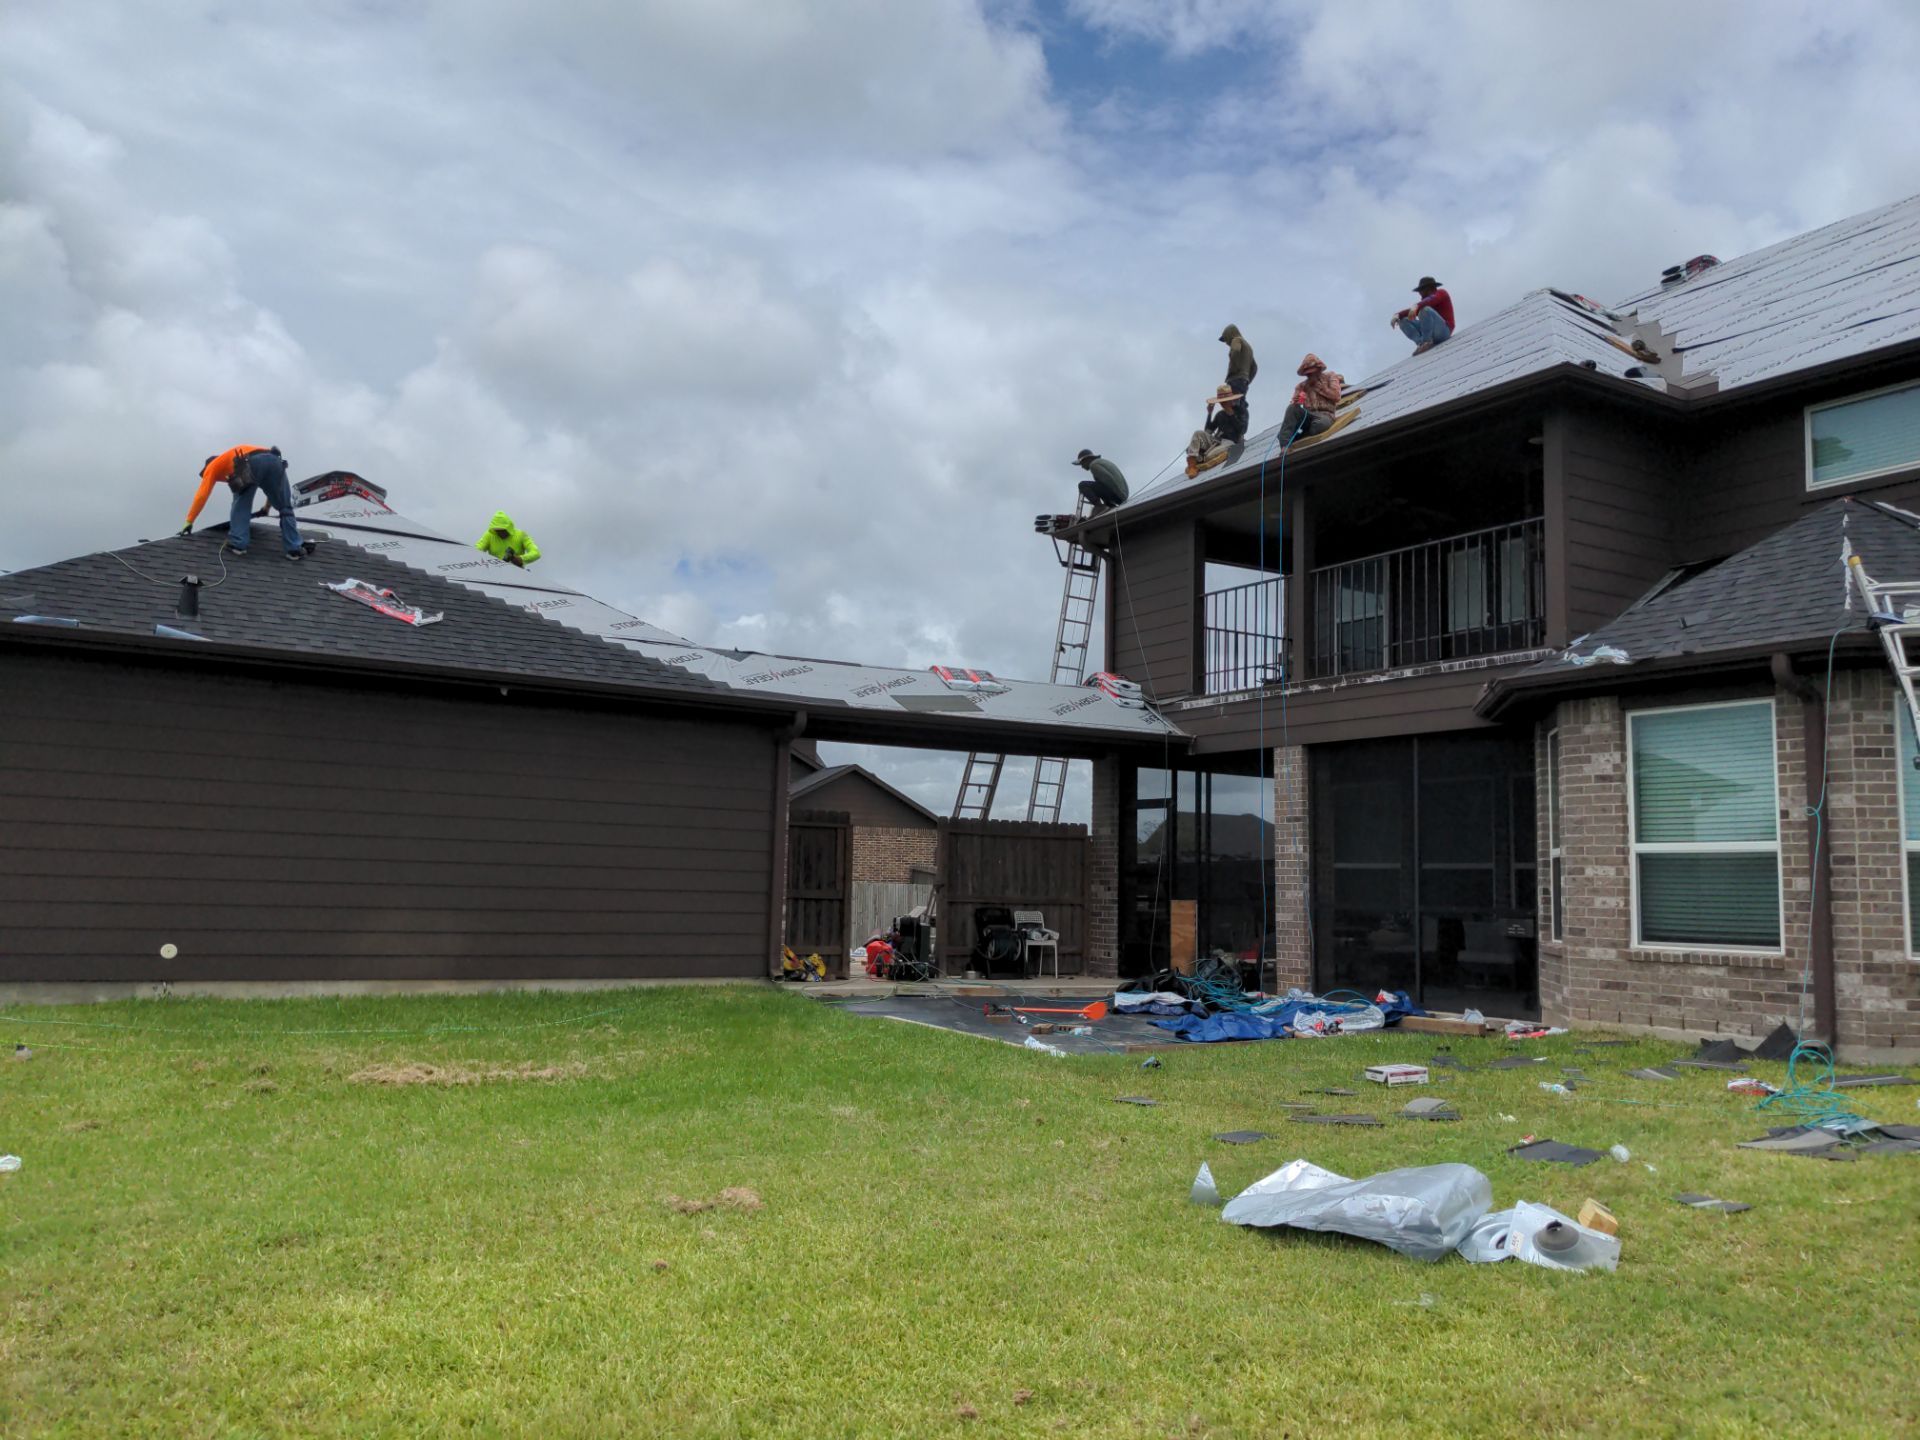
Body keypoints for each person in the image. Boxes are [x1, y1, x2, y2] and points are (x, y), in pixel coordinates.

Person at [180, 444, 305, 560]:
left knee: (241, 503)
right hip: (275, 460)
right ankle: (294, 549)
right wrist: (266, 508)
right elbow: (271, 490)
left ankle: (238, 544)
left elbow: (202, 495)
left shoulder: (212, 466)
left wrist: (189, 521)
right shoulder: (229, 458)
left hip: (251, 462)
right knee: (285, 507)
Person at [1280, 353, 1345, 442]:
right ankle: (1285, 444)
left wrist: (1320, 387)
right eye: (1308, 374)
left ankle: (1302, 433)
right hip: (1308, 416)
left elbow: (1336, 396)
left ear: (1318, 370)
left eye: (1312, 373)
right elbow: (1294, 409)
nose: (1310, 375)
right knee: (1291, 410)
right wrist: (1297, 402)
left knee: (1320, 425)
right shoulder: (1301, 386)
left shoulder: (1330, 376)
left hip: (1325, 415)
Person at [1187, 383, 1248, 474]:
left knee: (1209, 457)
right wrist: (1209, 413)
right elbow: (1208, 431)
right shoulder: (1220, 414)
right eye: (1222, 402)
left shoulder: (1241, 412)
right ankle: (1192, 465)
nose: (1223, 404)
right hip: (1216, 441)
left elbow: (1242, 430)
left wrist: (1230, 413)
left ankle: (1204, 458)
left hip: (1231, 442)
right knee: (1198, 433)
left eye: (1225, 401)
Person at [1393, 277, 1454, 353]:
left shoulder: (1441, 293)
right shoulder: (1423, 303)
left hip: (1444, 331)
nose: (1420, 293)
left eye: (1421, 290)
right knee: (1402, 320)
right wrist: (1397, 315)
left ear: (1429, 288)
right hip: (1431, 333)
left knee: (1425, 310)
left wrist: (1416, 306)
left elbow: (1432, 300)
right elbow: (1412, 310)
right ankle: (1421, 343)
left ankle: (1426, 341)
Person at [475, 511, 542, 567]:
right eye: (497, 531)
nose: (500, 533)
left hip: (517, 575)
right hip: (495, 574)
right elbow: (476, 550)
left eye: (503, 530)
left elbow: (536, 553)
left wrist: (521, 559)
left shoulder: (521, 535)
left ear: (509, 528)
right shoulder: (489, 535)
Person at [1219, 323, 1257, 400]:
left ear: (1230, 334)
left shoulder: (1236, 340)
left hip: (1235, 380)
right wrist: (1246, 380)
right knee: (1241, 405)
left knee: (1232, 405)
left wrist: (1233, 370)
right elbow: (1254, 367)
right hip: (1243, 381)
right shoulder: (1248, 347)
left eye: (1226, 338)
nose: (1226, 343)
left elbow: (1235, 352)